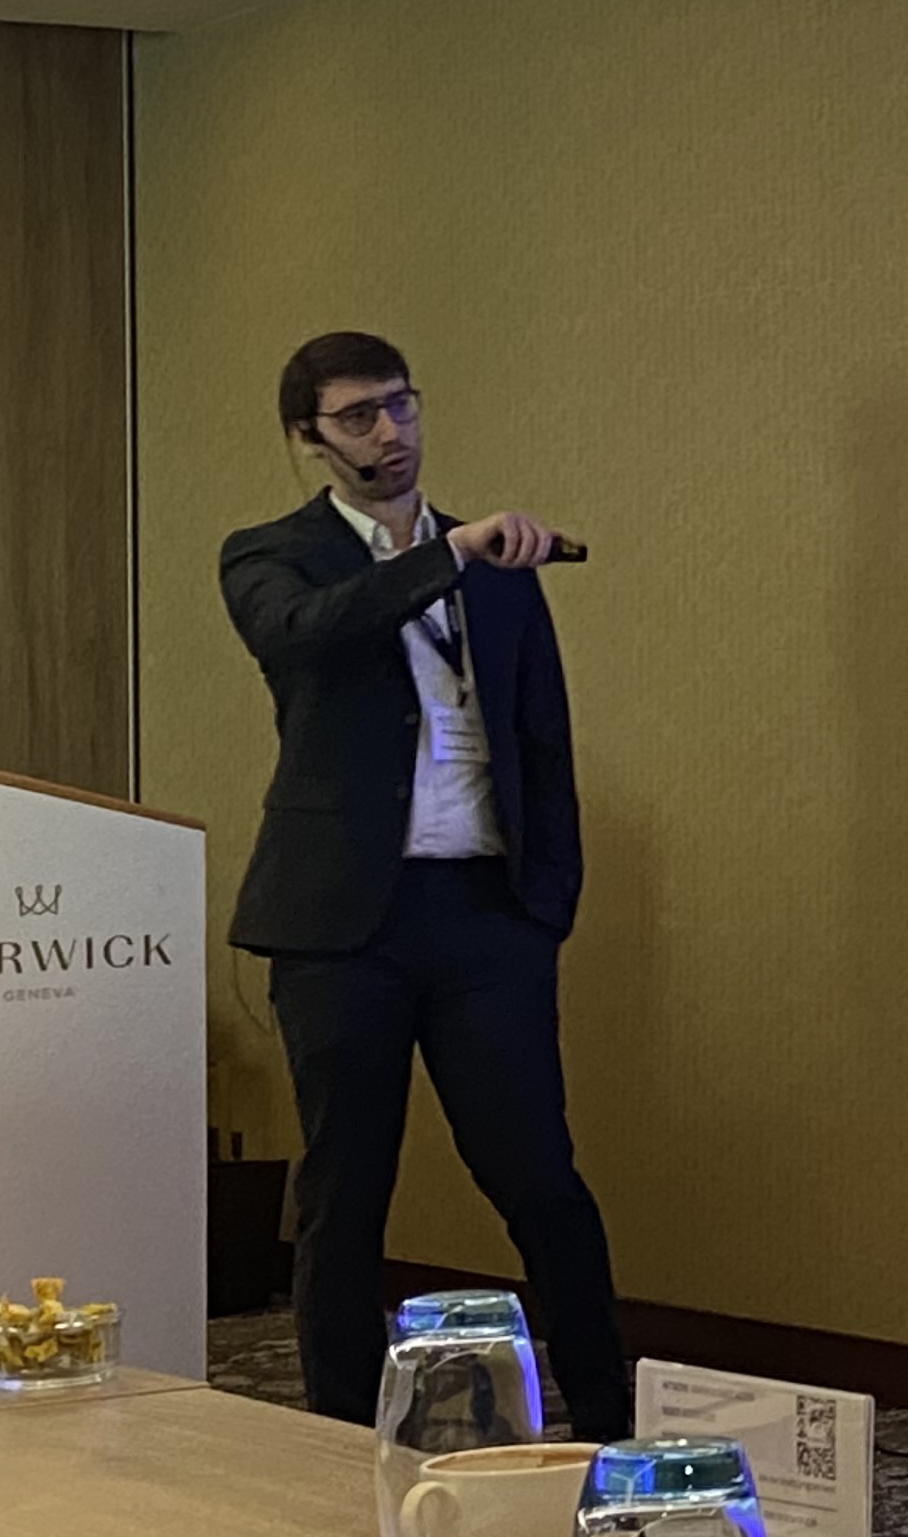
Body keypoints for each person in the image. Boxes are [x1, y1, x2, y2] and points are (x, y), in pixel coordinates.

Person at [219, 330, 628, 1434]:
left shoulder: (498, 567)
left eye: (401, 405)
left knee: (539, 1176)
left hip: (486, 916)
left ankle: (608, 1420)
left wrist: (547, 905)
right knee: (346, 1191)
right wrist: (448, 556)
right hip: (341, 927)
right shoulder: (272, 556)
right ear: (307, 438)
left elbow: (543, 736)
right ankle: (335, 1436)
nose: (389, 432)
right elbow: (306, 636)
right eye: (358, 416)